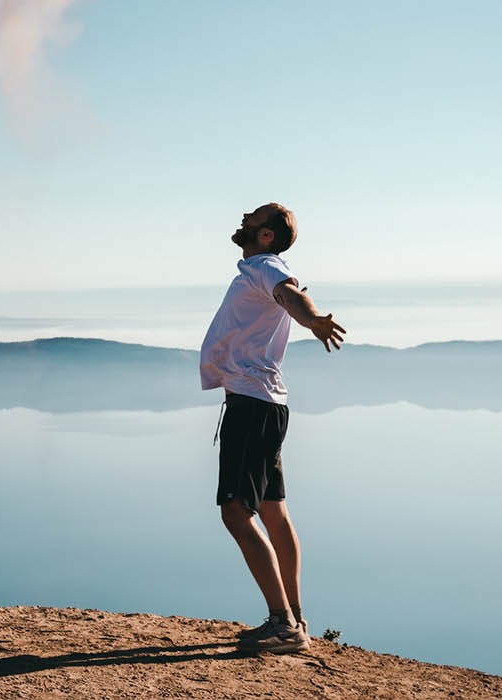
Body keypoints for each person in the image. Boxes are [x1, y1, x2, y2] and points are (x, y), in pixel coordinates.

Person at [199, 202, 345, 654]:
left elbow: (290, 295)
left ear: (266, 236)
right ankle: (294, 617)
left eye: (253, 218)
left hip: (251, 405)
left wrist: (313, 319)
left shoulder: (266, 267)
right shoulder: (259, 268)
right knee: (272, 510)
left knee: (235, 513)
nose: (243, 218)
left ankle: (283, 626)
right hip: (262, 403)